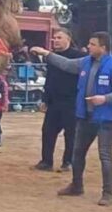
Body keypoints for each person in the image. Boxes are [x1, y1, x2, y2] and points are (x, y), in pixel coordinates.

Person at [31, 32, 112, 207]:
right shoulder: (85, 62)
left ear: (103, 47)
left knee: (104, 155)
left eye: (92, 44)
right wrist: (47, 54)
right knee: (78, 153)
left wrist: (105, 99)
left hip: (105, 118)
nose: (88, 47)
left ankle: (107, 192)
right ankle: (76, 185)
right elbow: (66, 64)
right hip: (86, 115)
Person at [34, 28, 85, 171]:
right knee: (48, 131)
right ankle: (46, 161)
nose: (55, 40)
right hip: (54, 101)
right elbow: (49, 79)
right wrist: (45, 99)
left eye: (59, 38)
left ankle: (68, 162)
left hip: (71, 101)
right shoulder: (52, 57)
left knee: (71, 134)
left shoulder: (78, 56)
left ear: (68, 39)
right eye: (54, 38)